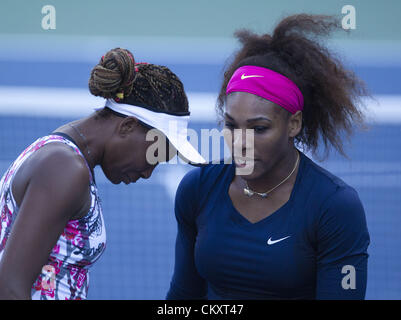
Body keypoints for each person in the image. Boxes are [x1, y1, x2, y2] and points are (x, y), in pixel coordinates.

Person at [166, 14, 371, 300]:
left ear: (293, 124)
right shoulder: (197, 190)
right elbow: (183, 296)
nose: (240, 142)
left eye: (258, 128)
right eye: (231, 126)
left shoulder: (335, 208)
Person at [0, 47, 205, 300]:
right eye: (153, 156)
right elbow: (9, 287)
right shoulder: (64, 169)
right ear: (128, 126)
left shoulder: (66, 160)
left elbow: (42, 275)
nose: (148, 173)